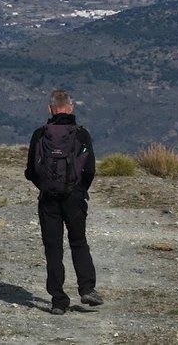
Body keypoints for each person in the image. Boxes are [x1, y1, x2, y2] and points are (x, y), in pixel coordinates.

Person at [25, 89, 103, 315]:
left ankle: (58, 300)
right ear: (71, 108)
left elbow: (31, 170)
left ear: (50, 109)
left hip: (48, 198)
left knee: (53, 248)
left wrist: (46, 186)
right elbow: (90, 170)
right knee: (78, 242)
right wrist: (78, 190)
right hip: (75, 198)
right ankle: (87, 288)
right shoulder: (81, 135)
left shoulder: (40, 134)